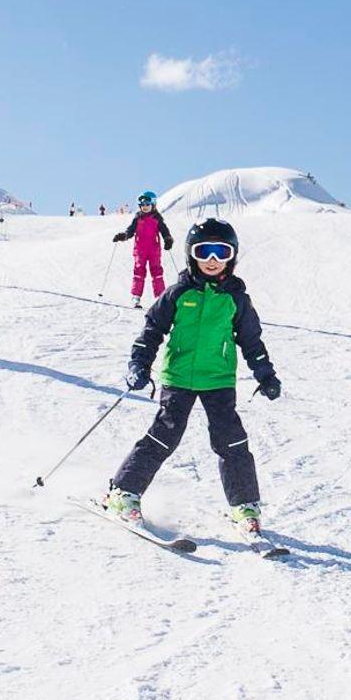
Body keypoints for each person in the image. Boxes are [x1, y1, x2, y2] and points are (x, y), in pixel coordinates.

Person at [104, 218, 282, 539]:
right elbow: (152, 330)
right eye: (204, 251)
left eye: (221, 252)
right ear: (190, 254)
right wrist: (139, 364)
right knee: (164, 436)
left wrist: (265, 374)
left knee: (231, 440)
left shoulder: (237, 299)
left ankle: (245, 507)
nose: (212, 260)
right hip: (179, 377)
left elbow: (252, 342)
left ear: (232, 256)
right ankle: (123, 492)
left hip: (218, 380)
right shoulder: (178, 293)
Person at [110, 191, 174, 306]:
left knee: (156, 271)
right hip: (140, 250)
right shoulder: (138, 218)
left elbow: (164, 230)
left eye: (147, 204)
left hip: (154, 249)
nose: (144, 207)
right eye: (142, 205)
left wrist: (168, 239)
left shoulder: (157, 218)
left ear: (153, 204)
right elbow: (130, 231)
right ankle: (136, 296)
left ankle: (160, 296)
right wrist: (123, 236)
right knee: (139, 271)